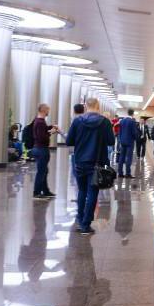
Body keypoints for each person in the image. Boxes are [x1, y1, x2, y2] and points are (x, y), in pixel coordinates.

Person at [66, 97, 115, 235]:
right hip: (97, 162)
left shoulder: (77, 121)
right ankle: (86, 225)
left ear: (86, 106)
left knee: (81, 191)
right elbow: (111, 141)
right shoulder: (104, 122)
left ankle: (80, 220)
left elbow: (70, 140)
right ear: (98, 106)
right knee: (93, 192)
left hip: (80, 161)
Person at [32, 104, 58, 200]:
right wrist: (52, 132)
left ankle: (45, 191)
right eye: (48, 110)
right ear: (44, 110)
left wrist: (50, 127)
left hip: (39, 148)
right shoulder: (40, 122)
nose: (48, 112)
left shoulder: (39, 121)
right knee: (41, 171)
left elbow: (42, 131)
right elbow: (42, 137)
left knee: (44, 171)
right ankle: (36, 192)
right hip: (41, 149)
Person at [117, 109, 140, 178]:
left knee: (121, 157)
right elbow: (134, 132)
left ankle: (120, 173)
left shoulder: (122, 121)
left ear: (127, 113)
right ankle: (128, 173)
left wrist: (120, 140)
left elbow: (120, 132)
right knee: (128, 157)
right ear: (133, 114)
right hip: (129, 142)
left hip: (122, 141)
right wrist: (137, 138)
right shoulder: (132, 121)